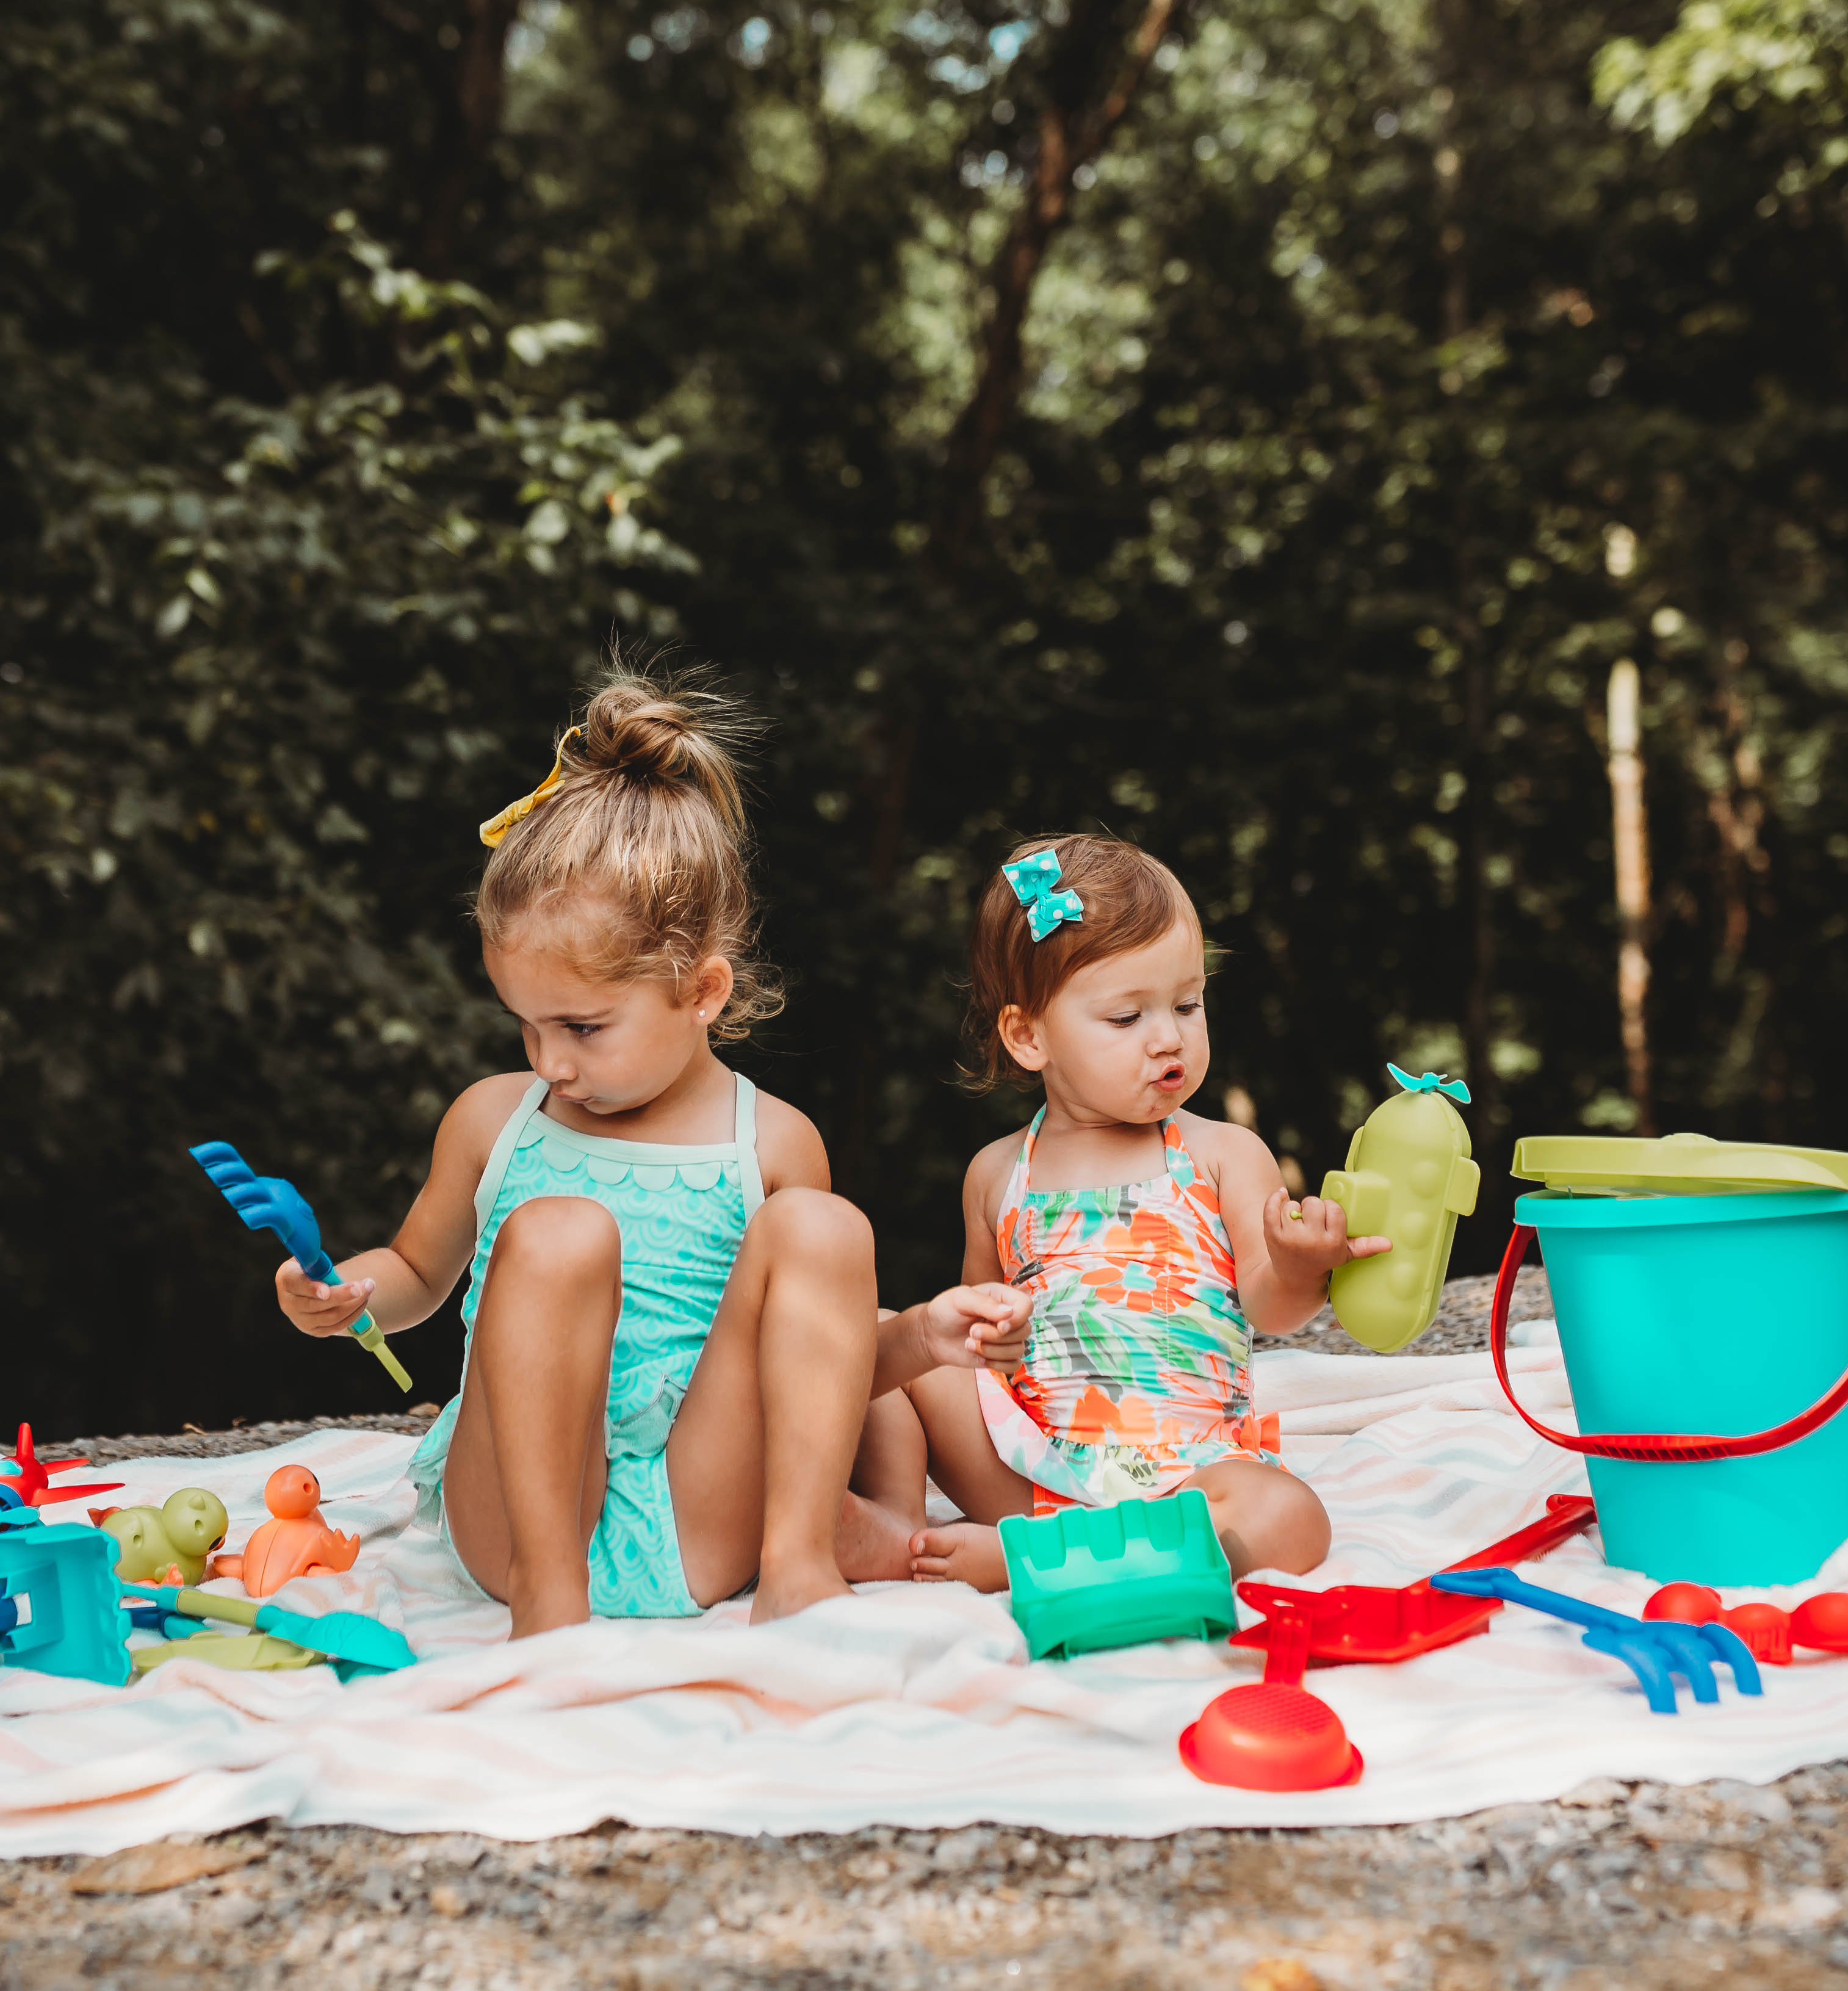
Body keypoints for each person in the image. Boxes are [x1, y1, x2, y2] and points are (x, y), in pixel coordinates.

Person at [274, 665, 1020, 1635]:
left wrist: (917, 1339)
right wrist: (346, 1295)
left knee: (823, 1228)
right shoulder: (497, 1118)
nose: (550, 1061)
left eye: (582, 1027)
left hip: (696, 1513)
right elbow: (417, 1270)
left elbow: (807, 1371)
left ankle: (796, 1567)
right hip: (519, 1519)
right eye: (525, 1025)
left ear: (702, 992)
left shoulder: (774, 1143)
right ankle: (551, 1610)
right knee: (557, 1234)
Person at [865, 833, 1385, 1589]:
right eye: (1125, 1018)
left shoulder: (1221, 1154)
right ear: (1028, 1035)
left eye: (1186, 1004)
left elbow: (1271, 1309)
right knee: (887, 1336)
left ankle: (1085, 1559)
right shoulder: (998, 1174)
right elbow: (973, 1342)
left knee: (1291, 1514)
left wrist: (1301, 1265)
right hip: (1034, 1468)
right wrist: (993, 1332)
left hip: (1190, 1474)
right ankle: (899, 1523)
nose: (1168, 1037)